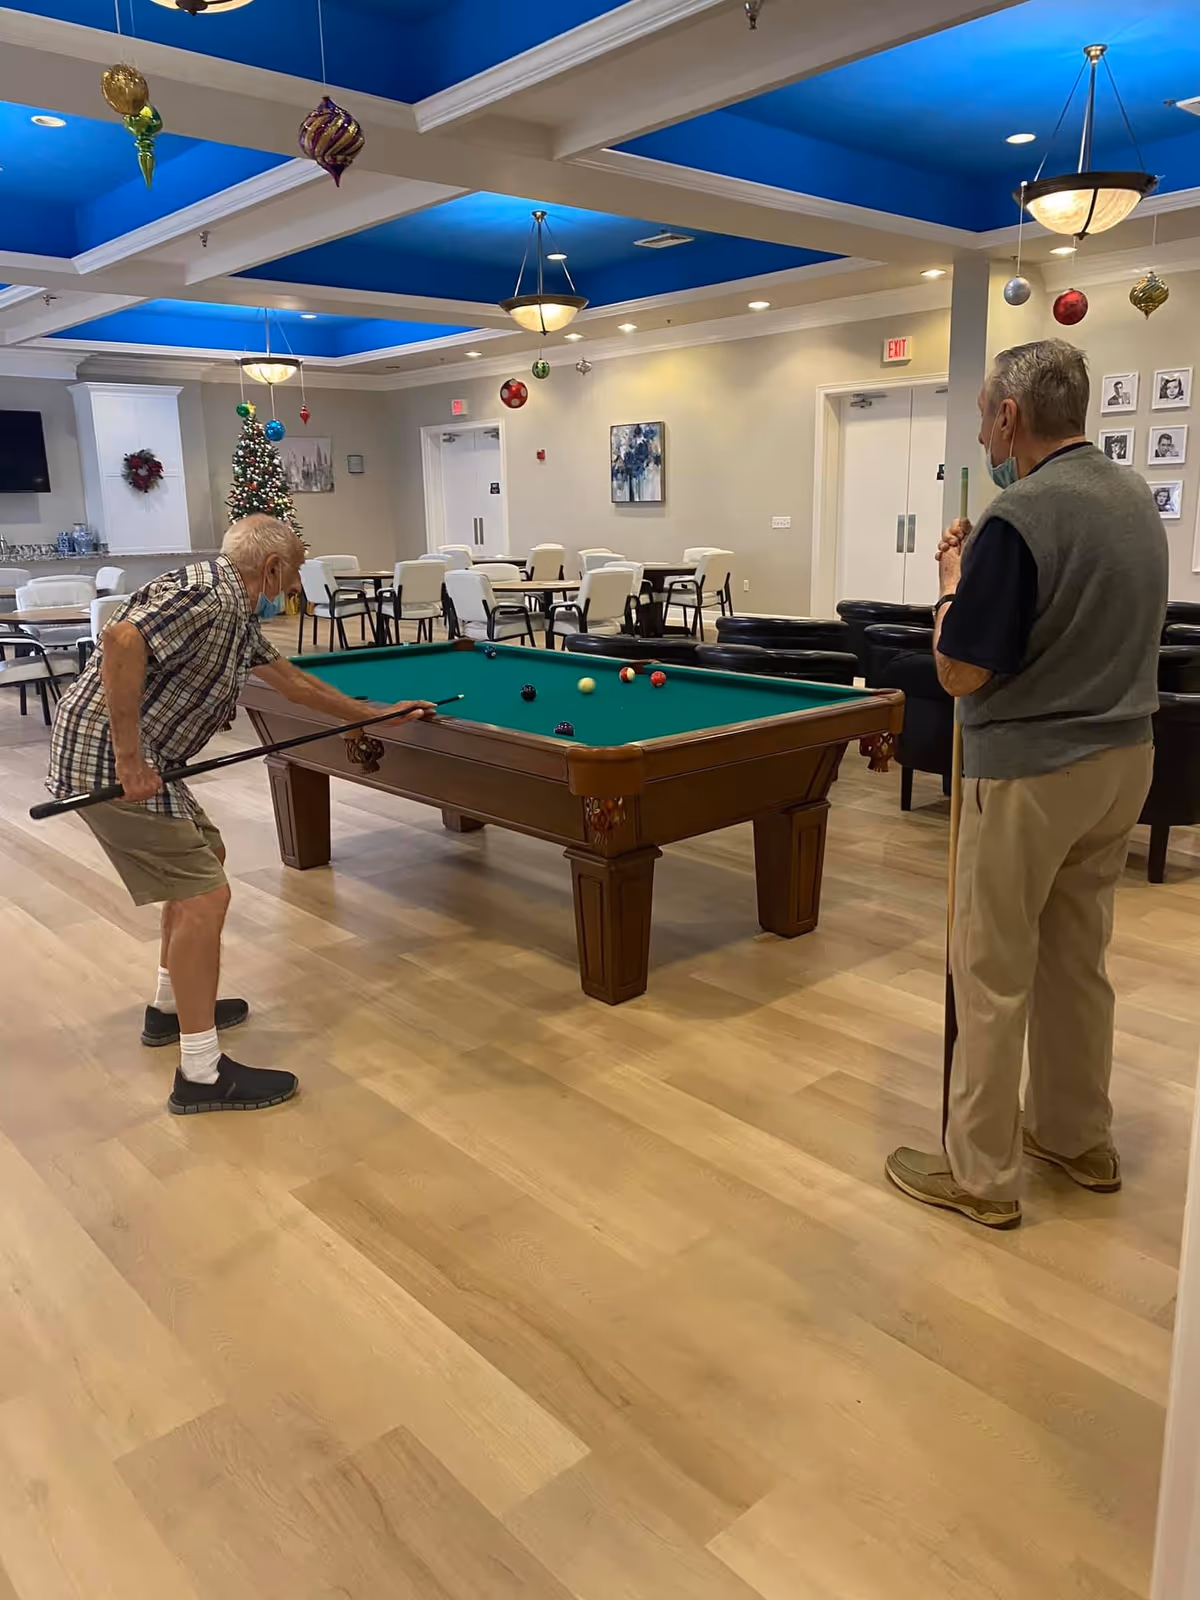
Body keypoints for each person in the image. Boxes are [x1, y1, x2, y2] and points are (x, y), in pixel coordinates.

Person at [886, 339, 1167, 1229]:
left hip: (1030, 773)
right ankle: (1077, 1136)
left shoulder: (1022, 514)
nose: (979, 431)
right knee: (1078, 959)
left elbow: (963, 672)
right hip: (1125, 760)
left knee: (992, 966)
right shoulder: (1132, 498)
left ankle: (978, 1174)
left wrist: (948, 587)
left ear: (1010, 415)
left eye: (981, 414)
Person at [47, 516, 432, 1115]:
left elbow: (295, 685)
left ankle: (170, 1009)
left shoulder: (235, 608)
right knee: (206, 896)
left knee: (208, 859)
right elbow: (121, 640)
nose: (296, 584)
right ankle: (200, 1073)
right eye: (297, 570)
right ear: (272, 567)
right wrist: (128, 759)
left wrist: (370, 715)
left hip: (140, 754)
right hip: (109, 759)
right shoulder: (209, 593)